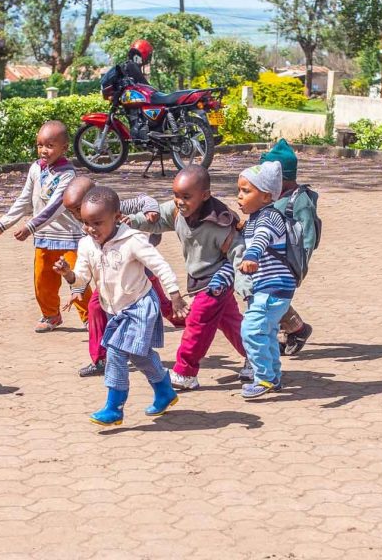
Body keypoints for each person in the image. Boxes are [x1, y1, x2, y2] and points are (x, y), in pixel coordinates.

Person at [54, 186, 188, 425]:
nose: (91, 229)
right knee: (140, 355)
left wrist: (175, 295)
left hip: (139, 305)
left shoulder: (133, 240)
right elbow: (82, 277)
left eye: (97, 223)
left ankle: (114, 408)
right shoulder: (86, 245)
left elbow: (160, 266)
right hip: (115, 309)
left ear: (116, 218)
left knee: (115, 352)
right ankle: (165, 391)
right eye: (86, 223)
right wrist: (69, 276)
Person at [127, 165, 251, 391]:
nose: (179, 201)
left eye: (186, 196)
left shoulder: (222, 222)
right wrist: (132, 221)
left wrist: (244, 285)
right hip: (198, 280)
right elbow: (156, 220)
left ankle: (185, 372)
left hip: (218, 282)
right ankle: (258, 356)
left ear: (205, 195)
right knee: (230, 321)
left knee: (197, 323)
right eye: (176, 195)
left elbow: (239, 255)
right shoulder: (177, 212)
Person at [62, 176, 179, 378]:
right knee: (95, 309)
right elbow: (83, 271)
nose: (79, 218)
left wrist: (152, 211)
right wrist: (75, 286)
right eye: (74, 213)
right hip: (109, 282)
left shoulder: (117, 210)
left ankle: (195, 320)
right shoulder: (88, 237)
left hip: (140, 276)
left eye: (78, 208)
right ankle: (101, 359)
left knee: (167, 308)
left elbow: (145, 199)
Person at [0, 120, 91, 333]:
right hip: (43, 237)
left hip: (69, 237)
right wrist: (2, 224)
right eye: (40, 145)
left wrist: (30, 227)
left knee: (77, 279)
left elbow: (55, 207)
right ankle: (51, 315)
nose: (44, 150)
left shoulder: (68, 175)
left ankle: (91, 317)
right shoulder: (36, 168)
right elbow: (25, 200)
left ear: (64, 148)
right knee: (43, 280)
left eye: (50, 146)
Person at [237, 162, 297, 399]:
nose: (239, 196)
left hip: (274, 287)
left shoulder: (269, 217)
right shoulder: (255, 217)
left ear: (265, 196)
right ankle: (273, 377)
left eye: (246, 191)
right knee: (267, 332)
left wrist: (252, 256)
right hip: (269, 288)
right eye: (239, 190)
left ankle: (263, 378)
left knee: (251, 330)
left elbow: (263, 238)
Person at [260, 139, 317, 355]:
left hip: (288, 264)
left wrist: (298, 268)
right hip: (271, 261)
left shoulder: (299, 201)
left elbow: (308, 239)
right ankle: (292, 330)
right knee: (271, 298)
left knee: (273, 299)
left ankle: (296, 329)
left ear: (281, 178)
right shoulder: (276, 197)